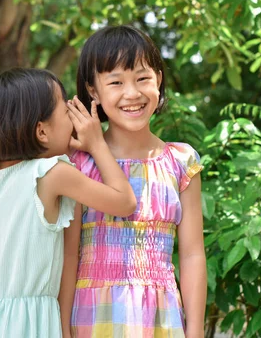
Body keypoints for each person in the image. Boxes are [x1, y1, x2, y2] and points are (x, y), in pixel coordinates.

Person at [0, 68, 137, 337]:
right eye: (66, 112)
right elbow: (125, 203)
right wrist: (97, 145)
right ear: (42, 132)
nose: (74, 119)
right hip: (31, 324)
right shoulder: (51, 173)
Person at [60, 25, 207, 337]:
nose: (132, 93)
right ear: (93, 91)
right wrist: (62, 330)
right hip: (91, 320)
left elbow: (193, 254)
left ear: (159, 79)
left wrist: (194, 333)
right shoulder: (78, 164)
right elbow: (68, 255)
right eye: (116, 82)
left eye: (142, 78)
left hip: (160, 321)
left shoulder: (181, 163)